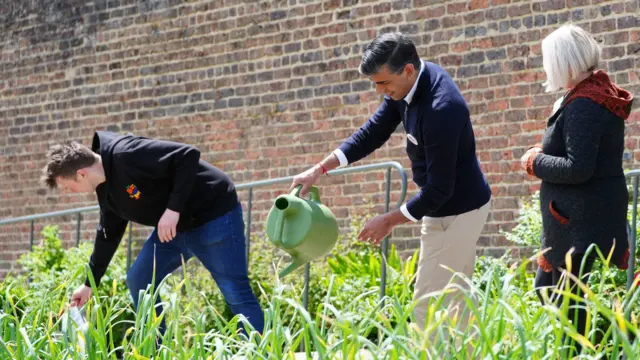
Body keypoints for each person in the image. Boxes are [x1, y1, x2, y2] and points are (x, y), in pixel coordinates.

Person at [290, 32, 492, 332]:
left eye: (383, 83)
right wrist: (320, 169)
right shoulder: (405, 88)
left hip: (456, 211)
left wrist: (389, 220)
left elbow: (439, 189)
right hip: (450, 205)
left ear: (408, 70)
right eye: (375, 84)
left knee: (427, 307)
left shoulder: (442, 108)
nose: (379, 91)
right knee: (458, 304)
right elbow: (372, 132)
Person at [42, 131, 264, 336]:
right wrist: (89, 283)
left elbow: (187, 155)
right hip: (174, 230)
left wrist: (172, 209)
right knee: (140, 278)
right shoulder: (106, 189)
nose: (69, 192)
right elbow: (108, 233)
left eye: (67, 186)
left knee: (236, 294)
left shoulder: (126, 153)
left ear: (81, 174)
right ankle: (157, 350)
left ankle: (258, 353)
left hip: (214, 216)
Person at [520, 24, 633, 355]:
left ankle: (588, 349)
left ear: (562, 62)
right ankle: (594, 346)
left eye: (547, 60)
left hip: (579, 223)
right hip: (574, 219)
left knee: (566, 300)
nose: (545, 68)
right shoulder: (589, 94)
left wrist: (534, 162)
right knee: (554, 292)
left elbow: (578, 168)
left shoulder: (585, 104)